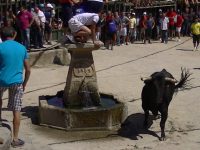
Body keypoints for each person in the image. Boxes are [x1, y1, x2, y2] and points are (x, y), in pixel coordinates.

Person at [0, 27, 31, 148]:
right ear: (14, 34)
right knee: (16, 109)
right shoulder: (22, 47)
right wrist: (24, 84)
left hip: (1, 80)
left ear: (2, 36)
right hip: (17, 82)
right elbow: (28, 69)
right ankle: (15, 139)